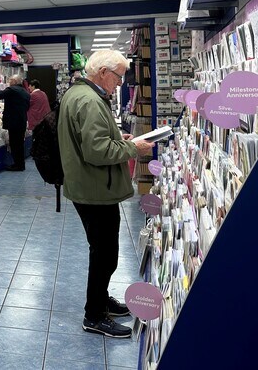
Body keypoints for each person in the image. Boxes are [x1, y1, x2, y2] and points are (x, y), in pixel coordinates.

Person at [58, 50, 154, 339]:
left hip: (91, 186)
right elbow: (97, 150)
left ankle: (101, 301)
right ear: (102, 72)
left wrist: (118, 137)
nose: (120, 82)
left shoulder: (81, 95)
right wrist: (133, 148)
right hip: (94, 188)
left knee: (105, 251)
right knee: (104, 253)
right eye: (119, 76)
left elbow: (93, 138)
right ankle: (94, 315)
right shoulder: (89, 100)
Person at [0, 75, 30, 171]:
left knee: (14, 144)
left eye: (10, 80)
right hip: (22, 121)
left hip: (14, 122)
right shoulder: (25, 91)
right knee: (20, 144)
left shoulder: (12, 90)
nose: (9, 81)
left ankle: (17, 165)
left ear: (14, 81)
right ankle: (20, 164)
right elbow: (28, 106)